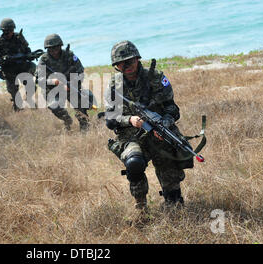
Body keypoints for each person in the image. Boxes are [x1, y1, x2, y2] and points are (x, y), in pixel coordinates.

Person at [104, 41, 188, 210]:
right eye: (121, 63)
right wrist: (129, 120)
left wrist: (165, 122)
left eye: (130, 61)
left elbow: (173, 108)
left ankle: (173, 201)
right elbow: (110, 119)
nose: (126, 66)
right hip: (131, 135)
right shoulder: (114, 85)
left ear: (137, 59)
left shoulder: (156, 78)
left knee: (167, 158)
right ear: (116, 65)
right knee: (134, 162)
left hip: (159, 131)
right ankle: (141, 207)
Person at [35, 34, 90, 132]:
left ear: (60, 46)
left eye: (56, 48)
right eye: (50, 49)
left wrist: (73, 83)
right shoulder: (44, 60)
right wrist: (54, 82)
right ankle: (67, 120)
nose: (54, 51)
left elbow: (80, 71)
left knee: (81, 106)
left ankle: (85, 129)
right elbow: (39, 80)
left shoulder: (69, 55)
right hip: (53, 90)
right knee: (54, 105)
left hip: (71, 87)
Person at [0, 18, 36, 111]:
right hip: (9, 71)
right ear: (3, 31)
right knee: (14, 94)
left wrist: (29, 55)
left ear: (13, 30)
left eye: (10, 31)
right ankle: (18, 110)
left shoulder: (19, 37)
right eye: (6, 32)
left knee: (31, 87)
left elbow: (27, 50)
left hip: (22, 68)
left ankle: (31, 104)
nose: (8, 33)